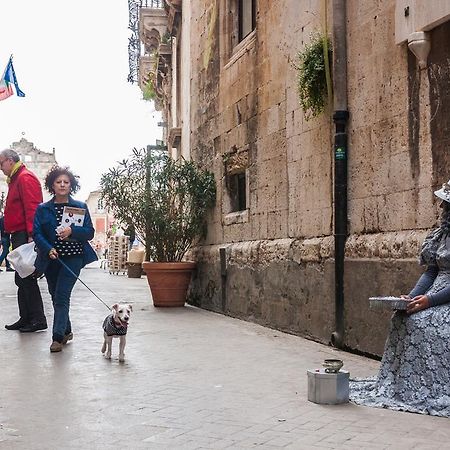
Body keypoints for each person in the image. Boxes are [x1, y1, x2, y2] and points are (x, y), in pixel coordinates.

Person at [350, 180, 450, 417]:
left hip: (444, 299)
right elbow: (432, 271)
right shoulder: (441, 235)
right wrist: (412, 297)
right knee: (402, 318)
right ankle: (403, 385)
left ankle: (433, 387)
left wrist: (430, 301)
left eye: (447, 205)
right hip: (432, 293)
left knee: (429, 324)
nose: (444, 209)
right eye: (444, 204)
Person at [33, 165, 97, 353]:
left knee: (62, 296)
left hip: (74, 258)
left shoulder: (80, 207)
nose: (62, 185)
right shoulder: (43, 209)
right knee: (55, 296)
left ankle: (57, 337)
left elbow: (90, 233)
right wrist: (48, 248)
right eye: (58, 182)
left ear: (71, 185)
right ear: (52, 185)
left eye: (66, 182)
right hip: (51, 258)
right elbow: (37, 233)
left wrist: (72, 231)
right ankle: (67, 330)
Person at [0, 149, 47, 332]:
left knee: (26, 277)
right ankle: (26, 317)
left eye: (1, 163)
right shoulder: (16, 177)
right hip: (17, 233)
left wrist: (31, 235)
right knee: (21, 278)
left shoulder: (25, 177)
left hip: (24, 234)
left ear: (10, 161)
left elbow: (33, 208)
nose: (1, 168)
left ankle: (37, 319)